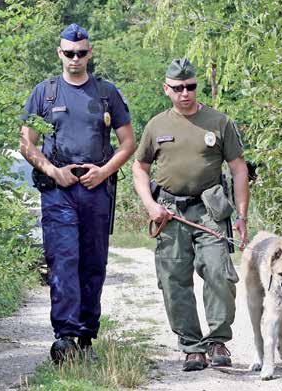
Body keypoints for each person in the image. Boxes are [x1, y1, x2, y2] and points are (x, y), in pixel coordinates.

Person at [19, 24, 135, 361]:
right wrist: (53, 171)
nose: (75, 59)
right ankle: (65, 337)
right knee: (63, 260)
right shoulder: (45, 93)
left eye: (81, 53)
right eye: (69, 53)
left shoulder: (106, 92)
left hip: (96, 188)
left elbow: (128, 143)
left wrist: (104, 172)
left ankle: (86, 338)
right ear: (59, 54)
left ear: (90, 53)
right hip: (59, 190)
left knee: (93, 263)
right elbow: (27, 143)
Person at [132, 58, 250, 371]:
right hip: (169, 213)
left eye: (191, 86)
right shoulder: (157, 125)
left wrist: (241, 216)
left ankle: (217, 340)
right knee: (173, 280)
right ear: (166, 89)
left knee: (218, 273)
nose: (185, 93)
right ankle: (192, 347)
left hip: (211, 210)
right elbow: (139, 168)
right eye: (178, 88)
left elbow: (238, 169)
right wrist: (150, 205)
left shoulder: (219, 121)